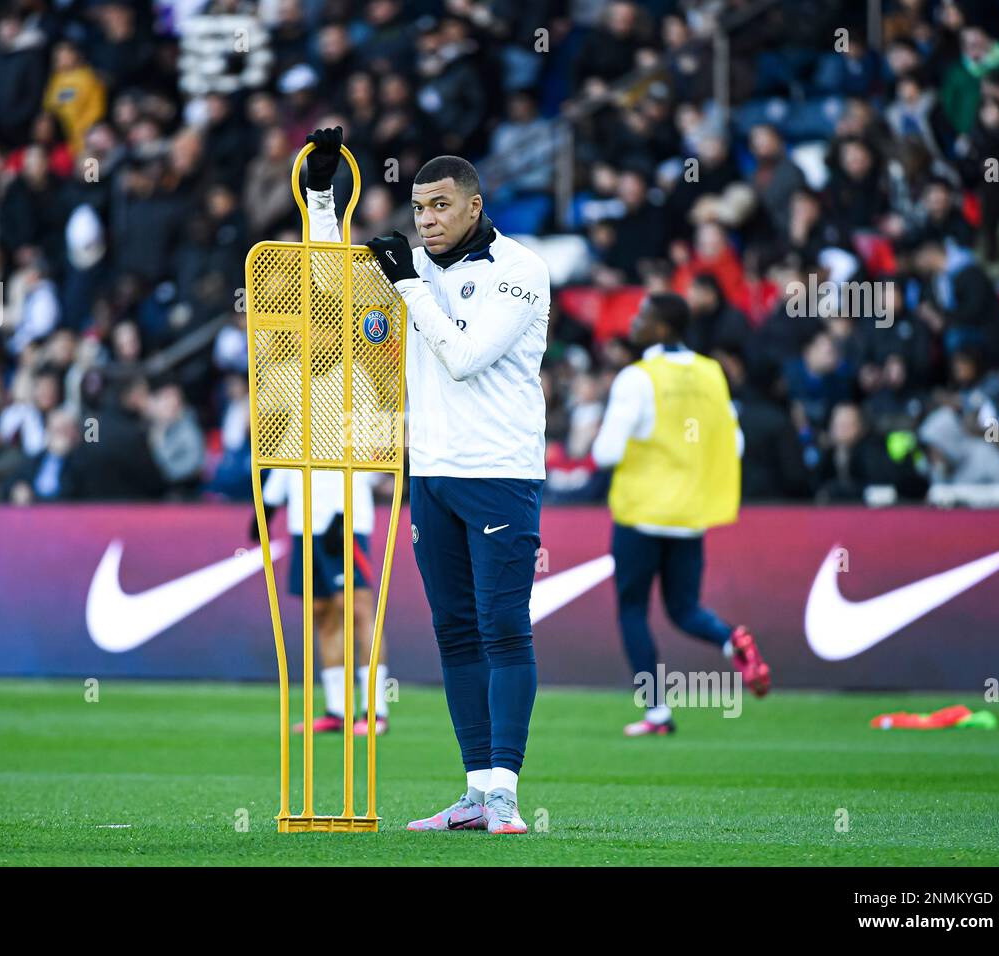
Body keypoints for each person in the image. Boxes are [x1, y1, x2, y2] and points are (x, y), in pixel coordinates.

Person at [312, 128, 551, 834]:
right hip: (433, 474)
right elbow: (330, 291)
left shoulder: (520, 268)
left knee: (503, 628)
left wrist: (408, 283)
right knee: (454, 632)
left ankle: (505, 795)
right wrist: (323, 201)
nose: (427, 220)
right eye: (419, 207)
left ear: (474, 208)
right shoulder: (412, 268)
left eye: (441, 206)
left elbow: (467, 356)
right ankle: (477, 791)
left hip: (500, 472)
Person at [591, 293, 769, 737]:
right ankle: (731, 640)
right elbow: (737, 444)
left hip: (642, 512)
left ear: (664, 329)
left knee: (633, 610)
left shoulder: (637, 378)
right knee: (684, 608)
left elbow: (606, 451)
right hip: (690, 513)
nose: (634, 323)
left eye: (643, 317)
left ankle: (657, 713)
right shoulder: (712, 374)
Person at [253, 467, 389, 736]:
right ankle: (337, 710)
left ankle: (376, 709)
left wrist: (342, 511)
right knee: (321, 612)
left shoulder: (357, 422)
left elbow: (374, 465)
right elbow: (286, 460)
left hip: (346, 524)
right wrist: (267, 506)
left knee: (357, 610)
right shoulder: (296, 423)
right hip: (303, 524)